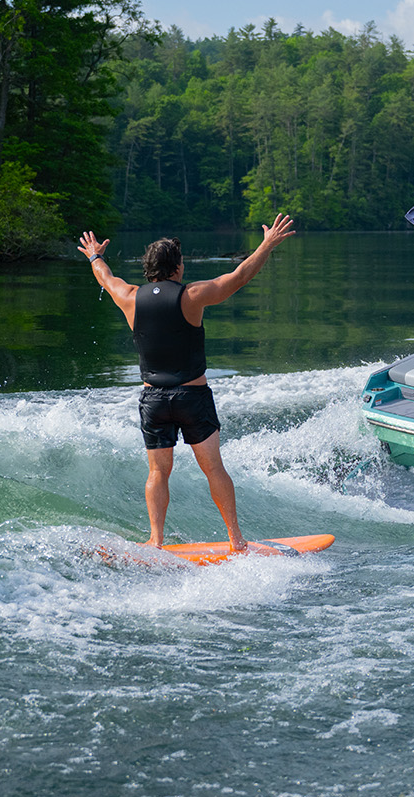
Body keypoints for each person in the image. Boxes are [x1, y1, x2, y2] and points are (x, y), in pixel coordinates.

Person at [77, 214, 296, 552]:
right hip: (192, 398)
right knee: (213, 468)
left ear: (148, 268)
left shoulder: (130, 296)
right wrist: (266, 244)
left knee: (158, 472)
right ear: (177, 267)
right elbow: (238, 277)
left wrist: (94, 255)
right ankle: (236, 541)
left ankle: (156, 540)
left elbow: (104, 277)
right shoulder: (191, 295)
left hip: (153, 401)